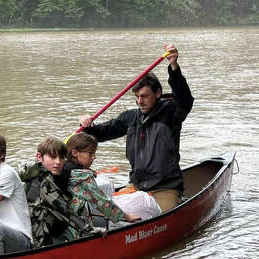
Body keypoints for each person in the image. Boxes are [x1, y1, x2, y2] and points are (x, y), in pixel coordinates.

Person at [79, 43, 193, 213]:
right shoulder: (130, 117)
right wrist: (88, 126)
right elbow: (101, 134)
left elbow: (185, 99)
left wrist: (174, 67)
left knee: (159, 216)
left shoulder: (171, 113)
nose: (140, 101)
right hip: (136, 186)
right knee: (109, 214)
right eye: (137, 97)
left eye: (145, 96)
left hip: (165, 188)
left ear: (158, 93)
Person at [65, 133, 158, 223]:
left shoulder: (63, 167)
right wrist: (126, 216)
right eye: (90, 153)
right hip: (72, 223)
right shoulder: (83, 177)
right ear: (74, 153)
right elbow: (101, 202)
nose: (94, 157)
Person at [19, 138, 94, 246]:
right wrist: (91, 231)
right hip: (39, 242)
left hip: (28, 233)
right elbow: (65, 213)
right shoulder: (43, 182)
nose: (58, 162)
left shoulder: (32, 176)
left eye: (62, 158)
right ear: (39, 157)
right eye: (53, 157)